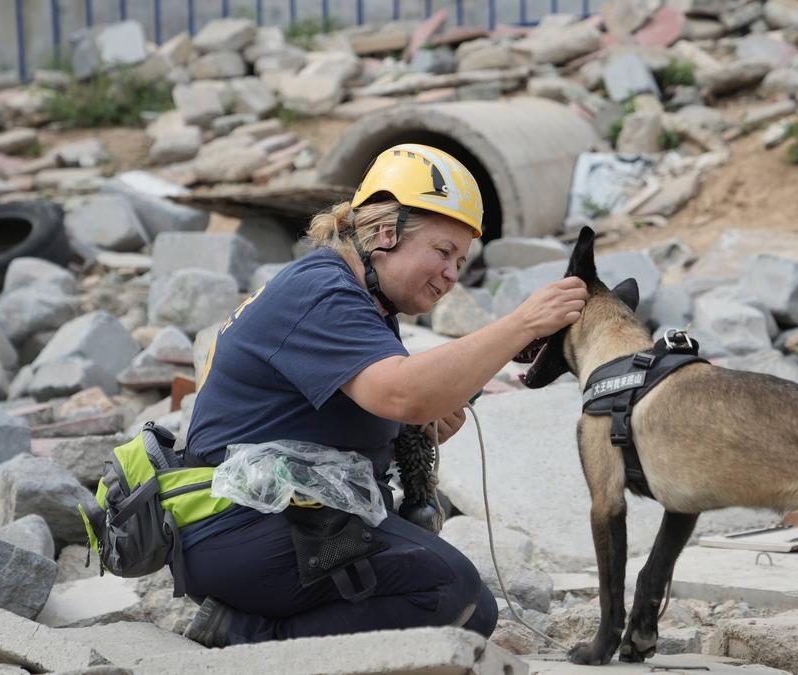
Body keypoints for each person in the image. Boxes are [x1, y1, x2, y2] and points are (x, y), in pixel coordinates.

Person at [177, 143, 588, 647]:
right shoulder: (321, 292)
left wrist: (410, 429)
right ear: (385, 233)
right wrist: (523, 323)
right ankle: (244, 634)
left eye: (460, 260)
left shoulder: (359, 300)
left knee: (468, 609)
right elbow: (403, 393)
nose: (453, 275)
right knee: (448, 593)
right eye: (442, 252)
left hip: (261, 522)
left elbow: (369, 408)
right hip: (236, 527)